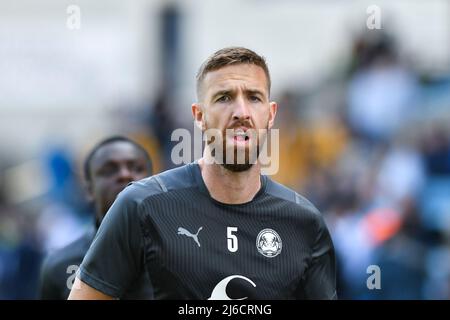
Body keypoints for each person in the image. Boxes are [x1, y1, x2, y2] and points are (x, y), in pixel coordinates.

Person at [69, 47, 337, 300]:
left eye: (254, 97)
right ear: (199, 116)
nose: (241, 112)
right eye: (224, 98)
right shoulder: (142, 206)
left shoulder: (304, 223)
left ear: (270, 114)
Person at [39, 136, 153, 299]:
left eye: (136, 168)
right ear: (89, 190)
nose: (125, 174)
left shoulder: (182, 254)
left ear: (155, 182)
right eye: (109, 170)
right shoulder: (59, 266)